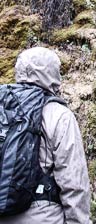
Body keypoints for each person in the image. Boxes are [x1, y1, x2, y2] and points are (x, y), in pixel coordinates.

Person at [0, 46, 90, 224]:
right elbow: (74, 183)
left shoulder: (3, 106)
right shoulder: (59, 114)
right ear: (53, 74)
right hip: (42, 216)